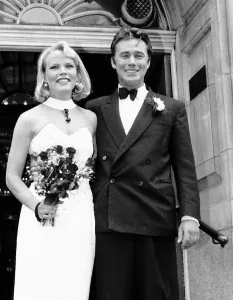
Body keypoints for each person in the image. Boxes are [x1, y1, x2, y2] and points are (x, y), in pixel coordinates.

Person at [86, 28, 201, 300]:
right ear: (113, 61)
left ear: (148, 62)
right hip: (109, 219)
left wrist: (189, 216)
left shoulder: (171, 108)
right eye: (124, 55)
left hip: (154, 216)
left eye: (138, 55)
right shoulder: (93, 108)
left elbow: (185, 167)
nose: (131, 62)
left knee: (158, 294)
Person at [6, 41, 97, 300]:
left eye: (69, 66)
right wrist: (35, 205)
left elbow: (93, 168)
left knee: (75, 284)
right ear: (44, 76)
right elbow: (12, 176)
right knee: (39, 285)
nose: (63, 71)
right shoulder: (28, 119)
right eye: (54, 67)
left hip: (81, 213)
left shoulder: (90, 118)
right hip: (42, 214)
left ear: (78, 74)